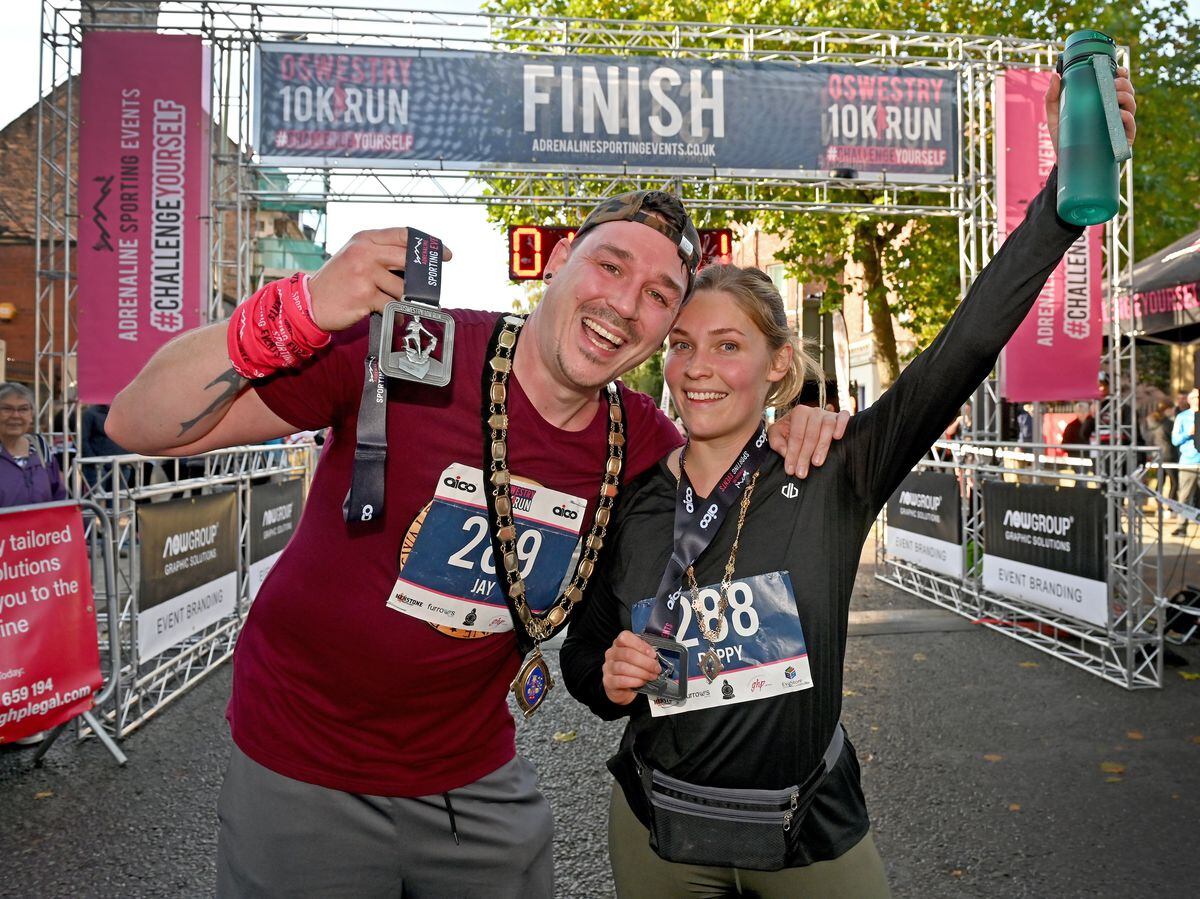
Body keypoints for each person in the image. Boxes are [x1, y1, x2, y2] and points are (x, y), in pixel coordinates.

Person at [106, 191, 845, 897]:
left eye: (658, 296)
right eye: (611, 265)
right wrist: (296, 312)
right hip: (306, 763)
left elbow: (731, 477)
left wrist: (796, 431)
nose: (625, 304)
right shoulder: (411, 348)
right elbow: (135, 423)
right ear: (557, 264)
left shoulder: (642, 439)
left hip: (475, 779)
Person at [560, 72, 1137, 896]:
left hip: (811, 837)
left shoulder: (831, 468)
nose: (697, 368)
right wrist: (608, 678)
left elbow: (965, 346)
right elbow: (585, 656)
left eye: (729, 346)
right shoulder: (633, 493)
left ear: (778, 367)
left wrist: (1058, 192)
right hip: (660, 832)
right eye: (682, 344)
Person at [0, 382, 66, 508]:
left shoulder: (40, 447)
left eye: (23, 409)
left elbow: (59, 496)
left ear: (31, 415)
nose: (15, 415)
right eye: (7, 409)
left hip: (42, 527)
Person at [1171, 387, 1200, 536]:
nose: (1198, 400)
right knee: (1185, 496)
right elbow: (1175, 440)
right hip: (1188, 461)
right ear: (1190, 400)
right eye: (1195, 397)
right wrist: (1188, 433)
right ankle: (1181, 526)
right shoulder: (1182, 417)